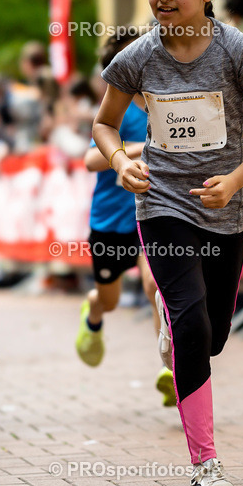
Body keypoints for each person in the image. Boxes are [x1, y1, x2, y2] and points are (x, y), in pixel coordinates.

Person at [94, 0, 243, 486]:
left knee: (214, 336)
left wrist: (234, 179)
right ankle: (205, 464)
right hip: (162, 205)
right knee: (192, 326)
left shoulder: (237, 52)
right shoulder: (137, 57)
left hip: (226, 210)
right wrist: (118, 161)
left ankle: (173, 320)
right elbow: (103, 124)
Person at [75, 28, 175, 407]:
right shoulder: (115, 106)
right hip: (111, 220)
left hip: (152, 212)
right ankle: (94, 309)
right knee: (111, 299)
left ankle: (170, 369)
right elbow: (90, 160)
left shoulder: (163, 101)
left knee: (157, 289)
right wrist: (135, 150)